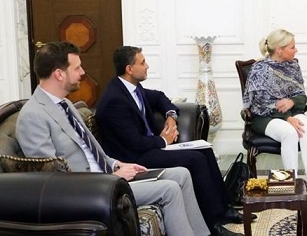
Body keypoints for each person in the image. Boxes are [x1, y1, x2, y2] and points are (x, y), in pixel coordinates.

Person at [15, 41, 241, 236]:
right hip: (90, 190)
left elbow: (91, 151)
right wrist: (111, 177)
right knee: (170, 189)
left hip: (109, 174)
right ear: (59, 74)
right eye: (77, 68)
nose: (83, 72)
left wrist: (116, 164)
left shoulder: (65, 104)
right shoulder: (33, 115)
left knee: (181, 173)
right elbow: (51, 180)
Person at [95, 46, 253, 231]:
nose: (147, 66)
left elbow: (159, 97)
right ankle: (213, 221)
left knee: (205, 149)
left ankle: (224, 208)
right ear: (129, 69)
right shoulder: (114, 100)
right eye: (142, 62)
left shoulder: (133, 88)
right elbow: (135, 142)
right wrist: (164, 140)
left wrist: (171, 116)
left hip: (149, 148)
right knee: (194, 160)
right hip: (135, 157)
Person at [243, 28, 307, 205]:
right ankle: (292, 186)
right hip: (263, 117)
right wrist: (287, 118)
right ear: (279, 50)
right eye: (292, 47)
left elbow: (302, 97)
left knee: (305, 129)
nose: (296, 50)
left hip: (292, 112)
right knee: (290, 132)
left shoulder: (293, 66)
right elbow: (259, 105)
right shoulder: (260, 69)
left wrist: (291, 102)